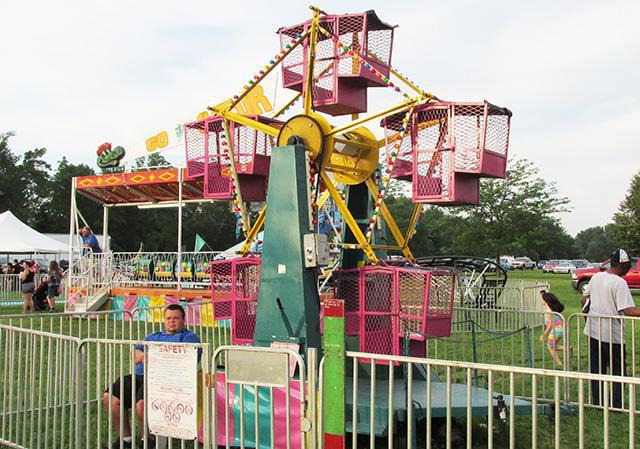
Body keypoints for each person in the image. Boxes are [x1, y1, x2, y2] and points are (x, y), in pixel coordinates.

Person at [102, 304, 200, 448]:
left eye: (176, 318)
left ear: (183, 320)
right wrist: (142, 357)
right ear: (164, 320)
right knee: (110, 397)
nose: (171, 321)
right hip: (141, 374)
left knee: (142, 405)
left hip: (164, 378)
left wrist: (157, 356)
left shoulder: (189, 337)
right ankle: (126, 440)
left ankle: (148, 440)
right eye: (168, 318)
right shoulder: (153, 336)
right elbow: (135, 353)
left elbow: (186, 358)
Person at [582, 248, 640, 408]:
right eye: (629, 265)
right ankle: (615, 405)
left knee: (597, 369)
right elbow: (628, 310)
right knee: (618, 371)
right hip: (611, 335)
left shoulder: (597, 277)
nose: (630, 268)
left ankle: (598, 403)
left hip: (593, 330)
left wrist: (589, 316)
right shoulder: (619, 283)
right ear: (622, 264)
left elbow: (584, 299)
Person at [539, 291, 565, 366]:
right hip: (559, 330)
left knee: (550, 347)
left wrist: (544, 335)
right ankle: (566, 348)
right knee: (552, 346)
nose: (541, 300)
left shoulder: (549, 312)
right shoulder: (552, 310)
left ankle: (559, 363)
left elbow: (550, 325)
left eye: (542, 299)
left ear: (545, 301)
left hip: (555, 331)